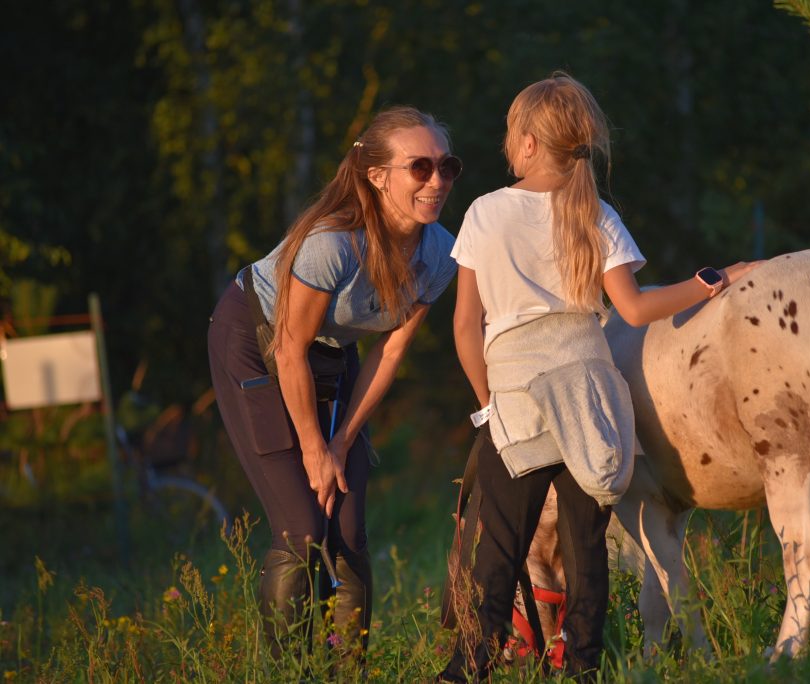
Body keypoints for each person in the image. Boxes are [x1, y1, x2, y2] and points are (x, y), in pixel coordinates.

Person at [438, 74, 760, 682]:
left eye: (512, 134)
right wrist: (714, 278)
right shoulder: (597, 212)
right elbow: (636, 310)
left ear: (529, 142)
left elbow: (464, 327)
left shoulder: (485, 211)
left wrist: (489, 407)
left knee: (500, 551)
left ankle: (467, 671)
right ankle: (582, 671)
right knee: (589, 550)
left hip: (517, 396)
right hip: (590, 393)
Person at [207, 106, 462, 660]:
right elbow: (289, 349)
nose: (436, 181)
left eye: (447, 166)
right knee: (302, 530)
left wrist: (342, 440)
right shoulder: (333, 243)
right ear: (378, 175)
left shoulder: (441, 252)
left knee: (347, 528)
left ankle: (348, 667)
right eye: (419, 167)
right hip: (258, 339)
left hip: (330, 352)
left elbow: (391, 348)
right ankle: (288, 670)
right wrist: (313, 447)